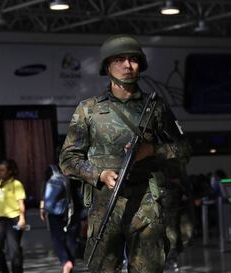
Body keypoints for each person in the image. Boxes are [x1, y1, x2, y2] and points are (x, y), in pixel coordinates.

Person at [59, 34, 189, 273]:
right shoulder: (88, 110)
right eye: (120, 59)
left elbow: (184, 149)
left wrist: (153, 150)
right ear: (107, 66)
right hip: (104, 207)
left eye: (133, 59)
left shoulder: (156, 106)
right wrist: (99, 174)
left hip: (146, 205)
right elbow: (68, 160)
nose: (128, 66)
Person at [40, 164, 82, 273]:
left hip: (55, 213)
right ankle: (70, 264)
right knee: (71, 239)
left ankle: (66, 262)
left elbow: (45, 190)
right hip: (72, 210)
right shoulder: (74, 169)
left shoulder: (51, 170)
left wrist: (43, 208)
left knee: (57, 239)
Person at [0, 159, 26, 273]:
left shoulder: (16, 184)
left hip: (13, 219)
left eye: (2, 170)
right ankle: (2, 270)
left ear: (9, 171)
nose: (0, 173)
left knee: (14, 250)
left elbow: (21, 204)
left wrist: (22, 219)